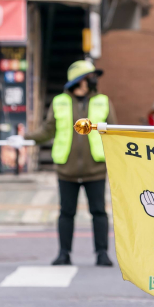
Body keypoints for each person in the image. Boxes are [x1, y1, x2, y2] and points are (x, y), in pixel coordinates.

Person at [25, 59, 117, 267]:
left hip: (96, 168)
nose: (94, 80)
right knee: (66, 213)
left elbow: (113, 131)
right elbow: (47, 131)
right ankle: (63, 253)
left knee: (99, 212)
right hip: (67, 169)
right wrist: (25, 138)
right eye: (90, 77)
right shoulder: (59, 102)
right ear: (79, 80)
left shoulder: (103, 101)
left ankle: (102, 253)